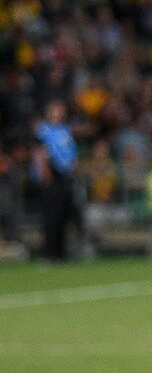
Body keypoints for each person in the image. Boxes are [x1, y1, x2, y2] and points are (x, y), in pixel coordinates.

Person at [31, 102, 79, 262]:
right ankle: (48, 253)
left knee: (63, 216)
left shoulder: (65, 130)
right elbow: (40, 152)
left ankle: (60, 253)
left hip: (65, 175)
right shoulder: (42, 129)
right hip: (52, 174)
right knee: (51, 217)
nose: (58, 113)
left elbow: (71, 152)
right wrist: (45, 173)